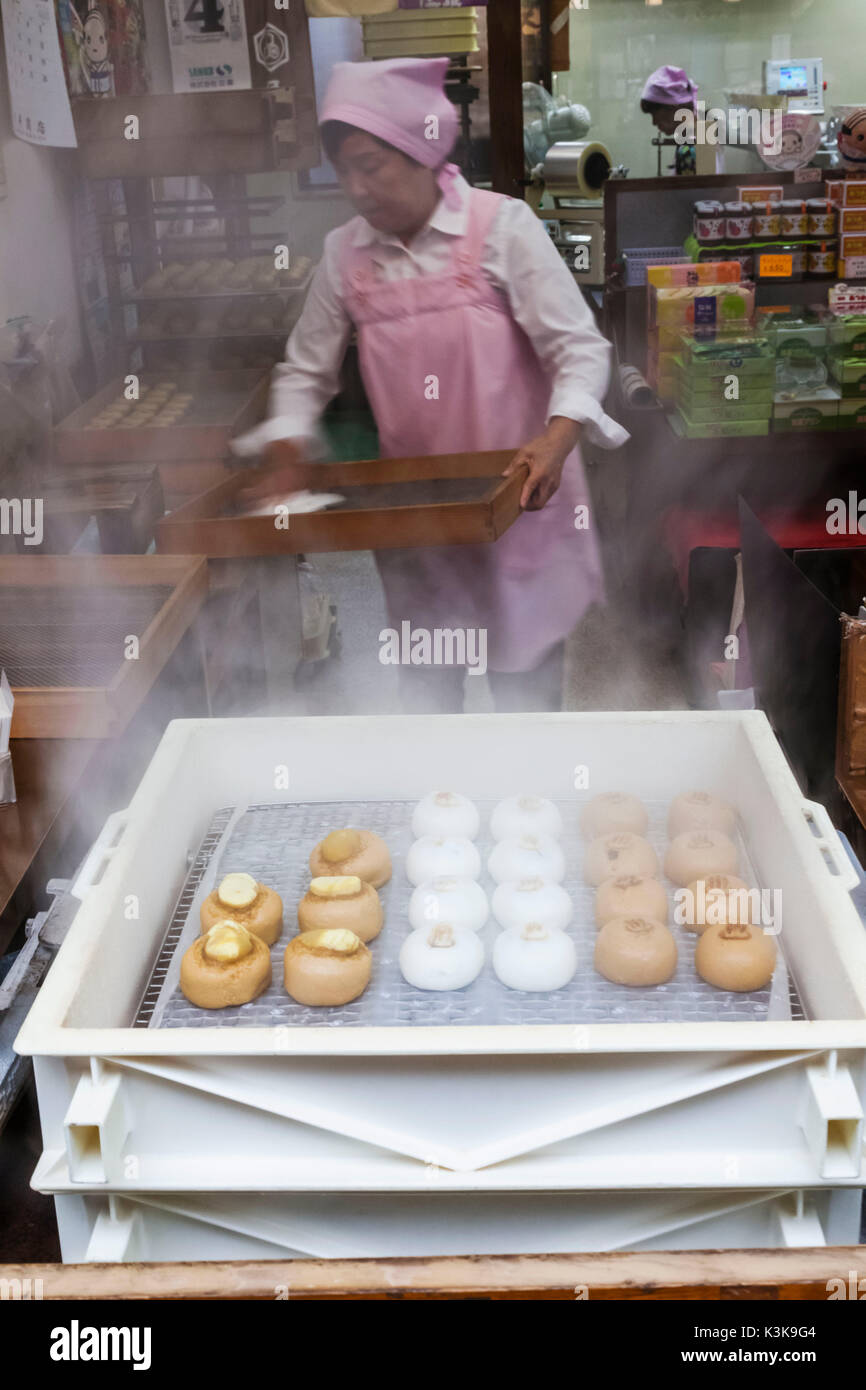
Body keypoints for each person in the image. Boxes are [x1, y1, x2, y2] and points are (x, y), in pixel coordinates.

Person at [234, 57, 627, 713]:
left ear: (420, 150)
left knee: (525, 693)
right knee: (428, 692)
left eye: (371, 166)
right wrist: (286, 454)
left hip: (520, 497)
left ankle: (524, 808)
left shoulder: (501, 229)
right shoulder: (346, 255)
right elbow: (305, 370)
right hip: (418, 514)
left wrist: (557, 443)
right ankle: (438, 808)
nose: (356, 188)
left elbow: (578, 349)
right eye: (344, 170)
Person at [640, 65, 698, 175]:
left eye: (655, 114)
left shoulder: (696, 145)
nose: (654, 122)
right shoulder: (686, 140)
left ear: (673, 107)